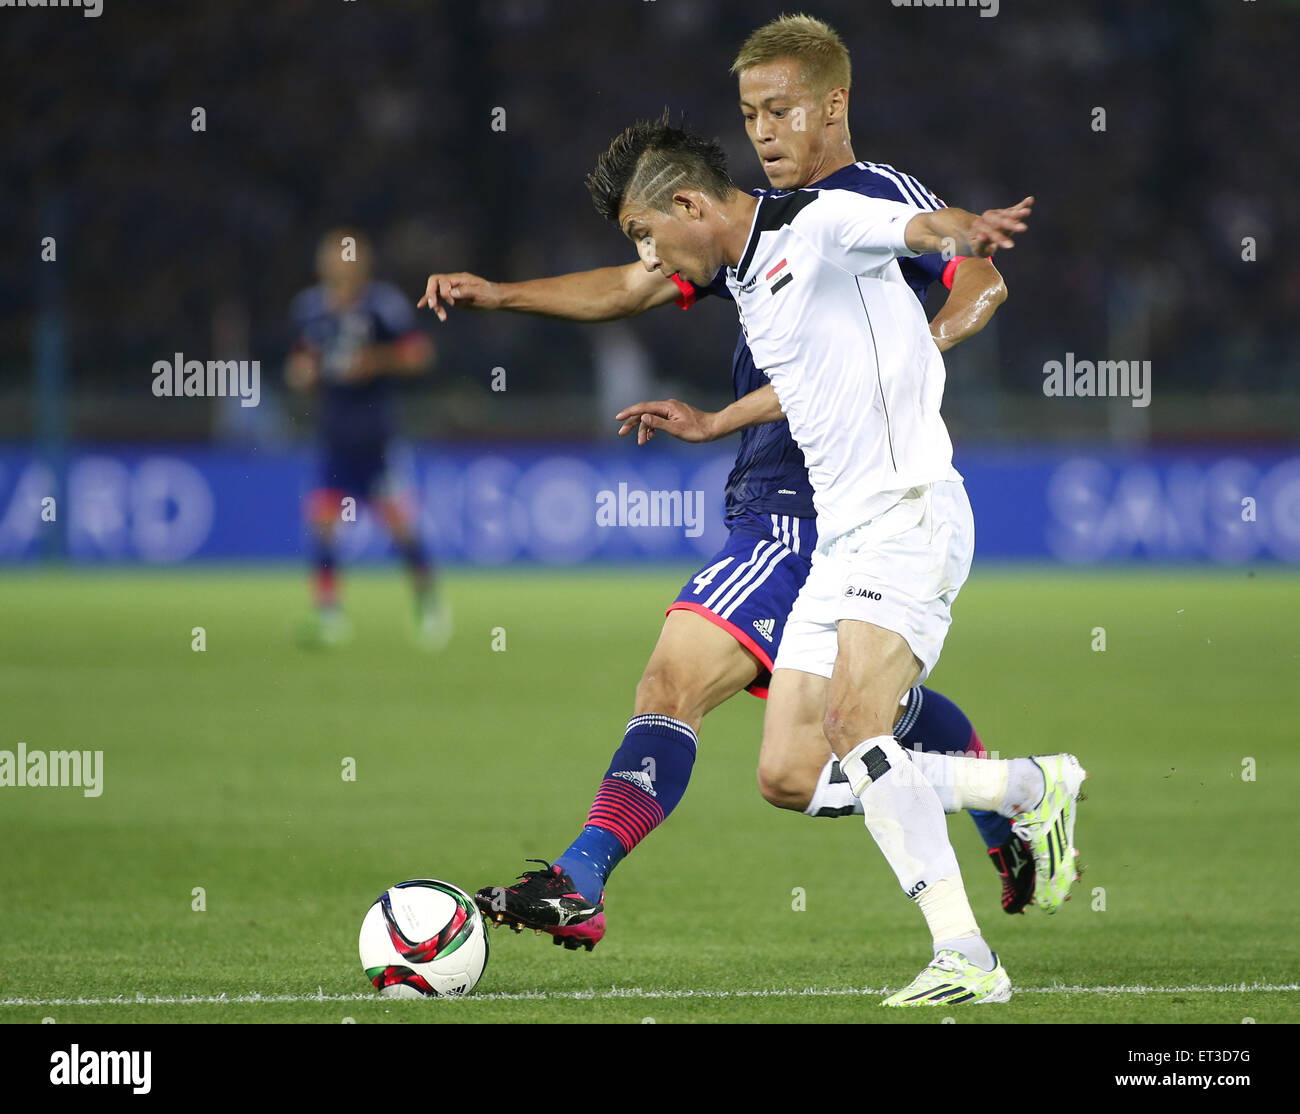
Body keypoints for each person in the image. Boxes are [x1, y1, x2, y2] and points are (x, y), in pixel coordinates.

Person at [424, 16, 1035, 954]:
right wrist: (503, 294)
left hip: (812, 502)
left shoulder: (870, 199)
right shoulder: (749, 229)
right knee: (848, 728)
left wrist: (917, 348)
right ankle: (1004, 795)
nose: (761, 131)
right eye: (749, 113)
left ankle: (580, 877)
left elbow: (980, 278)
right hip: (771, 488)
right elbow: (634, 285)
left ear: (833, 105)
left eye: (778, 110)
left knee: (678, 677)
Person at [584, 115, 1085, 1005]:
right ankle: (1020, 785)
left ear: (688, 202)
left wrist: (963, 229)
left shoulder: (817, 223)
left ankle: (966, 954)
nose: (649, 255)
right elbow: (804, 385)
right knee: (790, 775)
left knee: (857, 732)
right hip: (842, 534)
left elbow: (913, 228)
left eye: (644, 233)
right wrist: (710, 421)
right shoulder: (753, 282)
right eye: (749, 115)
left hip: (906, 511)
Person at [287, 228, 449, 649]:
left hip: (377, 437)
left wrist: (373, 362)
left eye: (347, 257)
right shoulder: (309, 310)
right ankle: (328, 614)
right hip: (333, 436)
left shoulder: (383, 306)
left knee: (401, 529)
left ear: (362, 262)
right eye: (333, 258)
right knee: (322, 525)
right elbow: (298, 363)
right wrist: (302, 373)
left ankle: (429, 605)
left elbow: (419, 354)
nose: (340, 265)